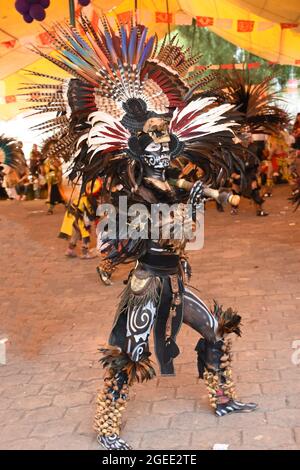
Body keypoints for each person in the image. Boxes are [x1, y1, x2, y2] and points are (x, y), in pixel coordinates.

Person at [24, 16, 294, 451]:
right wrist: (162, 221)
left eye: (166, 142)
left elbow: (193, 197)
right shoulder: (133, 190)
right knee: (128, 354)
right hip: (147, 285)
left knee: (214, 330)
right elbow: (131, 231)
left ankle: (222, 398)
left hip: (175, 280)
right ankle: (108, 428)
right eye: (152, 143)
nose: (162, 148)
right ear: (136, 148)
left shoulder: (174, 180)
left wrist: (212, 196)